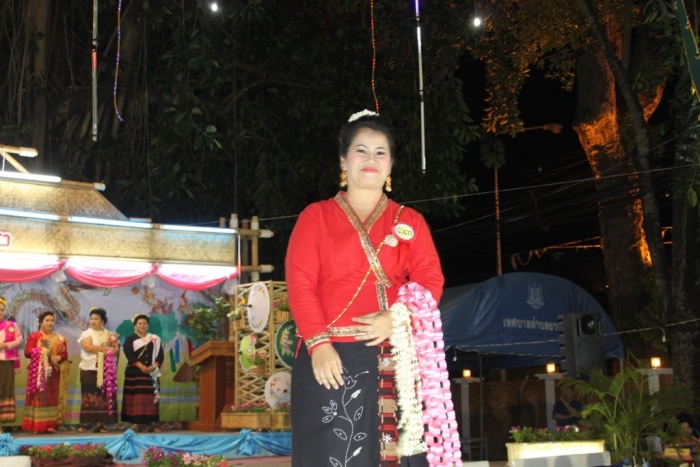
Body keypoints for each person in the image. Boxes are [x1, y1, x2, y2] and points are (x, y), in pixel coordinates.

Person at [285, 110, 445, 466]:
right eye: (361, 150)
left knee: (402, 453)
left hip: (397, 353)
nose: (371, 159)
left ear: (390, 165)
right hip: (330, 358)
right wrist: (318, 344)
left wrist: (398, 318)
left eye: (380, 152)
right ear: (344, 161)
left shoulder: (410, 221)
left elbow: (430, 281)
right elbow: (300, 283)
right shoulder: (316, 216)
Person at [22, 311, 68, 434]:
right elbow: (27, 352)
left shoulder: (59, 338)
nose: (50, 323)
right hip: (38, 372)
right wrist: (42, 351)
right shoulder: (35, 336)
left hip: (53, 372)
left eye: (52, 320)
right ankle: (37, 426)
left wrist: (59, 357)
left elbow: (65, 354)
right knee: (39, 398)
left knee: (52, 397)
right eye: (47, 320)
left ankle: (50, 425)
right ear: (41, 322)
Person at [78, 307, 119, 433]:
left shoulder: (111, 335)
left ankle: (101, 424)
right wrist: (107, 349)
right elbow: (88, 347)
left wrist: (109, 350)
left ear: (103, 321)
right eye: (91, 319)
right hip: (90, 368)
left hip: (107, 369)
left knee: (104, 395)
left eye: (96, 319)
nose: (93, 321)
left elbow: (116, 350)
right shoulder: (86, 333)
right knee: (89, 394)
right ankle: (85, 424)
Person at [121, 314, 164, 432]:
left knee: (151, 399)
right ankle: (136, 424)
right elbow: (129, 354)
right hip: (135, 372)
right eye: (139, 323)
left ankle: (153, 424)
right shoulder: (130, 339)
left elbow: (160, 355)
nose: (142, 325)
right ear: (135, 326)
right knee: (135, 399)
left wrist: (153, 366)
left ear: (148, 325)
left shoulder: (155, 339)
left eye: (145, 323)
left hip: (151, 373)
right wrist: (141, 366)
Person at [0, 296, 23, 432]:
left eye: (1, 310)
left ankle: (2, 423)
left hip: (6, 363)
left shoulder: (11, 326)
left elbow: (20, 340)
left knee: (5, 390)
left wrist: (5, 345)